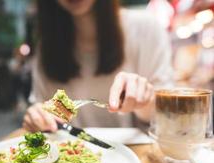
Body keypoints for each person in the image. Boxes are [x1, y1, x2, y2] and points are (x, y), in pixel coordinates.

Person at [23, 0, 173, 132]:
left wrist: (145, 103)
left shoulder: (145, 28)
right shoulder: (46, 49)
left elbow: (169, 118)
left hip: (136, 156)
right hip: (75, 155)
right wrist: (38, 118)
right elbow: (45, 114)